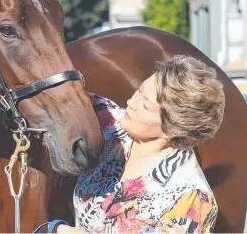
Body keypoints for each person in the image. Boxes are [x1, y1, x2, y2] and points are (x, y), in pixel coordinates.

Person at [57, 55, 225, 233]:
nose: (131, 103)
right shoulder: (111, 122)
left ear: (172, 128)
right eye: (139, 90)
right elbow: (52, 91)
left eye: (146, 106)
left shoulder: (190, 199)